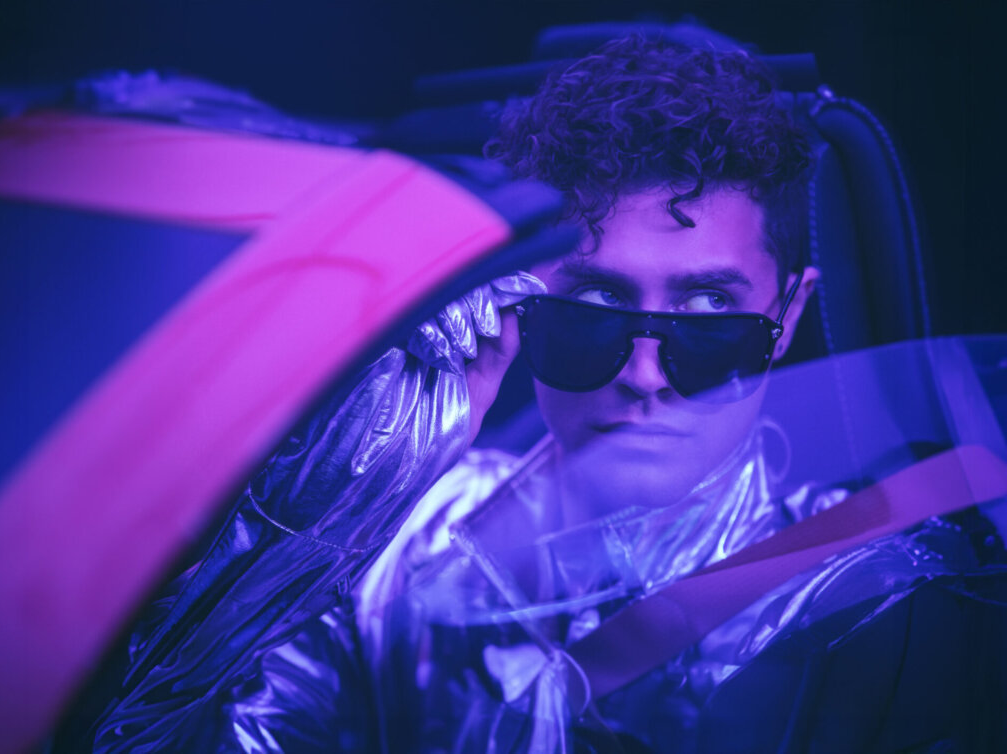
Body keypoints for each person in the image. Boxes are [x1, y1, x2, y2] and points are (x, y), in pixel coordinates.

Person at [90, 34, 1007, 753]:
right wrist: (324, 518)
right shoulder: (393, 552)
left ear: (790, 314)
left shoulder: (876, 598)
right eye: (594, 312)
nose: (644, 375)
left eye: (707, 324)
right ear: (516, 306)